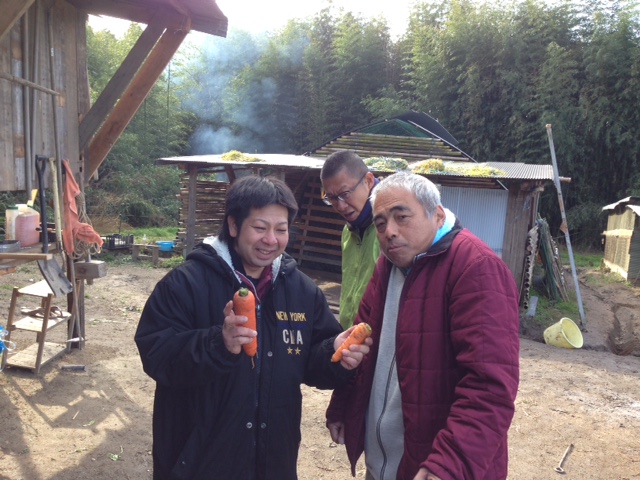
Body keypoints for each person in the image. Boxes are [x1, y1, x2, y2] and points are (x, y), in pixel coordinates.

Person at [135, 175, 370, 480]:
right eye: (260, 228)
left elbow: (311, 362)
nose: (271, 240)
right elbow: (157, 354)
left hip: (272, 463)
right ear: (233, 226)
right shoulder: (185, 284)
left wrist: (335, 354)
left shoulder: (301, 291)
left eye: (281, 230)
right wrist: (218, 343)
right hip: (199, 464)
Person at [326, 171, 520, 480]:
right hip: (383, 465)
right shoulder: (388, 266)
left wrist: (449, 463)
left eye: (401, 217)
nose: (389, 232)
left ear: (437, 215)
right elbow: (359, 346)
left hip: (435, 467)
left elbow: (489, 386)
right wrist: (343, 403)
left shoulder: (476, 267)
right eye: (380, 224)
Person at [320, 150, 380, 329]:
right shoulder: (348, 231)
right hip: (352, 336)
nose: (340, 206)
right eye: (331, 198)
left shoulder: (391, 229)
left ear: (368, 181)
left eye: (345, 194)